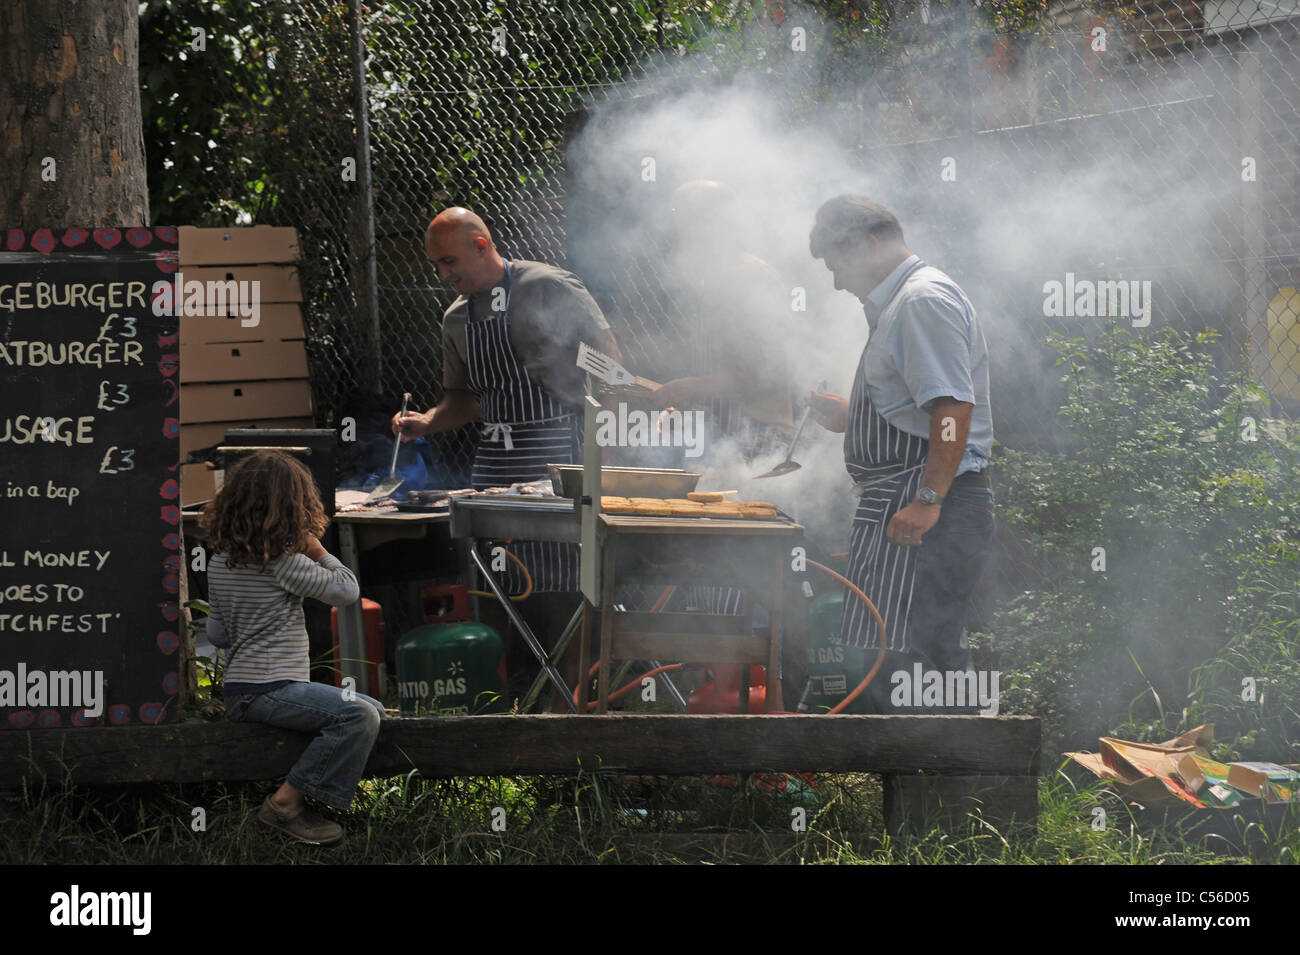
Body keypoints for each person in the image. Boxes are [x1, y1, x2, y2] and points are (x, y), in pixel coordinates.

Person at [394, 207, 623, 706]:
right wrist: (426, 422)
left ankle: (566, 702)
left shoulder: (548, 287)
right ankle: (510, 698)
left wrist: (600, 437)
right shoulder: (456, 319)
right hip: (495, 465)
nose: (444, 274)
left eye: (450, 261)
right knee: (496, 581)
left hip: (558, 453)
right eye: (436, 265)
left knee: (564, 581)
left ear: (481, 245)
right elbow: (464, 401)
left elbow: (610, 364)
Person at [805, 195, 995, 715]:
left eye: (836, 264)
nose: (837, 282)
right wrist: (856, 416)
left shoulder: (920, 301)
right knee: (898, 655)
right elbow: (922, 409)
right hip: (902, 504)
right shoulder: (899, 304)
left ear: (869, 242)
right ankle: (919, 781)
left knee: (924, 658)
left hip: (928, 508)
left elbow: (954, 405)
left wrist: (930, 498)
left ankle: (952, 786)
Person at [201, 450, 384, 845]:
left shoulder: (219, 563)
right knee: (359, 717)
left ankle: (314, 798)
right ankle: (285, 805)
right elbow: (346, 590)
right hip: (270, 690)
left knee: (376, 711)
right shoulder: (282, 562)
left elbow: (217, 634)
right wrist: (316, 549)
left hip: (241, 690)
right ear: (291, 508)